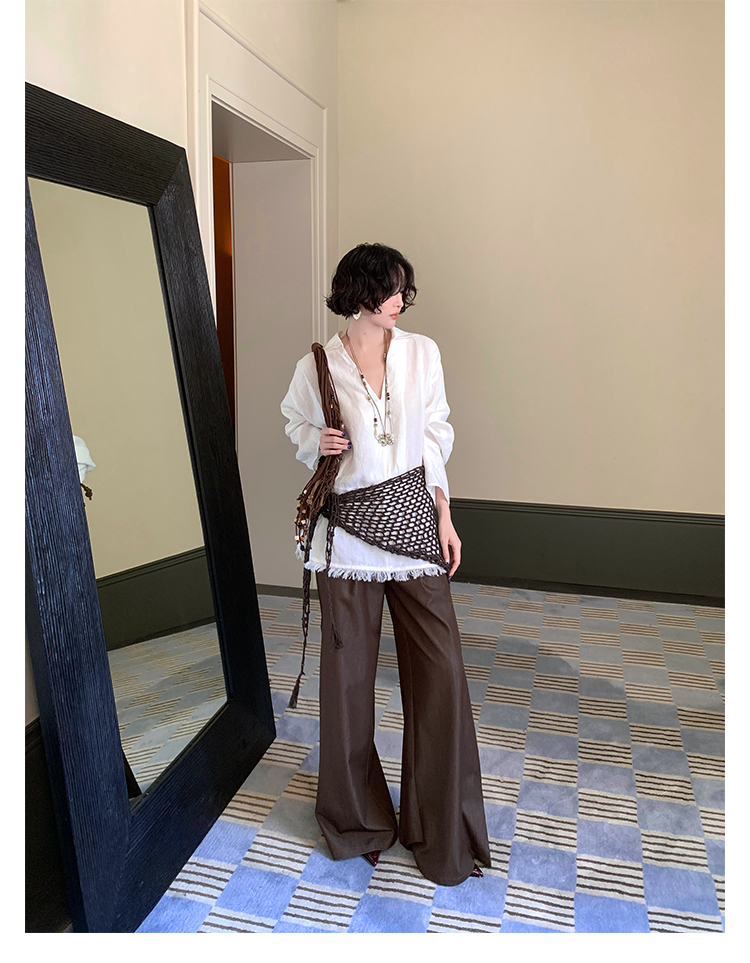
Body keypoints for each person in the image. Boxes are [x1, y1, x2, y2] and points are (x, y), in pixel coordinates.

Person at [280, 242, 490, 886]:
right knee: (347, 686)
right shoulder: (316, 365)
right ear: (360, 291)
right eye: (391, 289)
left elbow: (435, 436)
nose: (401, 300)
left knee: (442, 676)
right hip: (346, 538)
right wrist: (315, 439)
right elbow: (294, 424)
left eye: (404, 289)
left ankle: (441, 827)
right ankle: (358, 822)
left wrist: (444, 514)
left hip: (415, 524)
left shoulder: (423, 353)